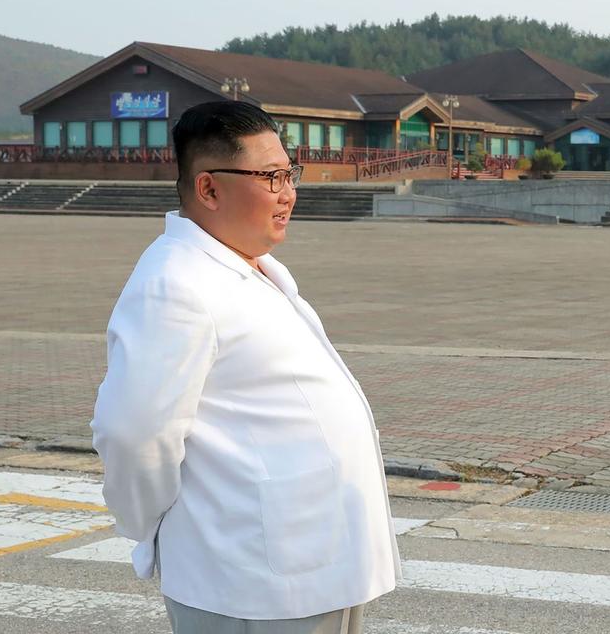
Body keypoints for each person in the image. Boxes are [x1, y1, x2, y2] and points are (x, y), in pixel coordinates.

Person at [92, 100, 400, 633]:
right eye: (271, 177)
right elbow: (133, 434)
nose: (288, 193)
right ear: (209, 188)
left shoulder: (245, 268)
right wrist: (150, 525)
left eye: (290, 173)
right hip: (251, 579)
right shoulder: (175, 286)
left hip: (313, 561)